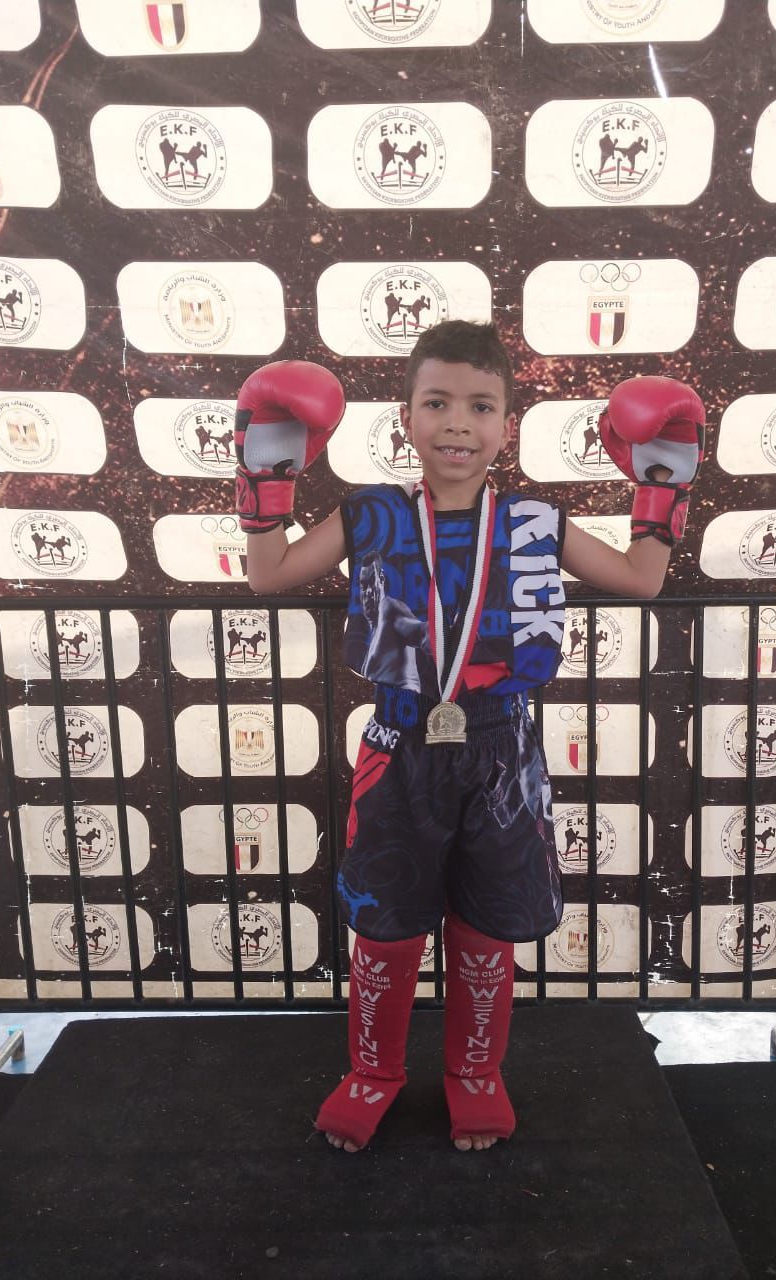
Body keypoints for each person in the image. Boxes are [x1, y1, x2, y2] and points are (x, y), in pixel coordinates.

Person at [235, 321, 704, 1154]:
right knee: (385, 925)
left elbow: (640, 579)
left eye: (481, 406)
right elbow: (269, 576)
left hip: (502, 752)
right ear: (406, 418)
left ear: (506, 424)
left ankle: (476, 1073)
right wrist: (267, 472)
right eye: (438, 403)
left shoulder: (535, 520)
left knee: (487, 923)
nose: (458, 422)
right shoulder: (372, 514)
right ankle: (373, 1072)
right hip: (398, 744)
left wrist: (660, 483)